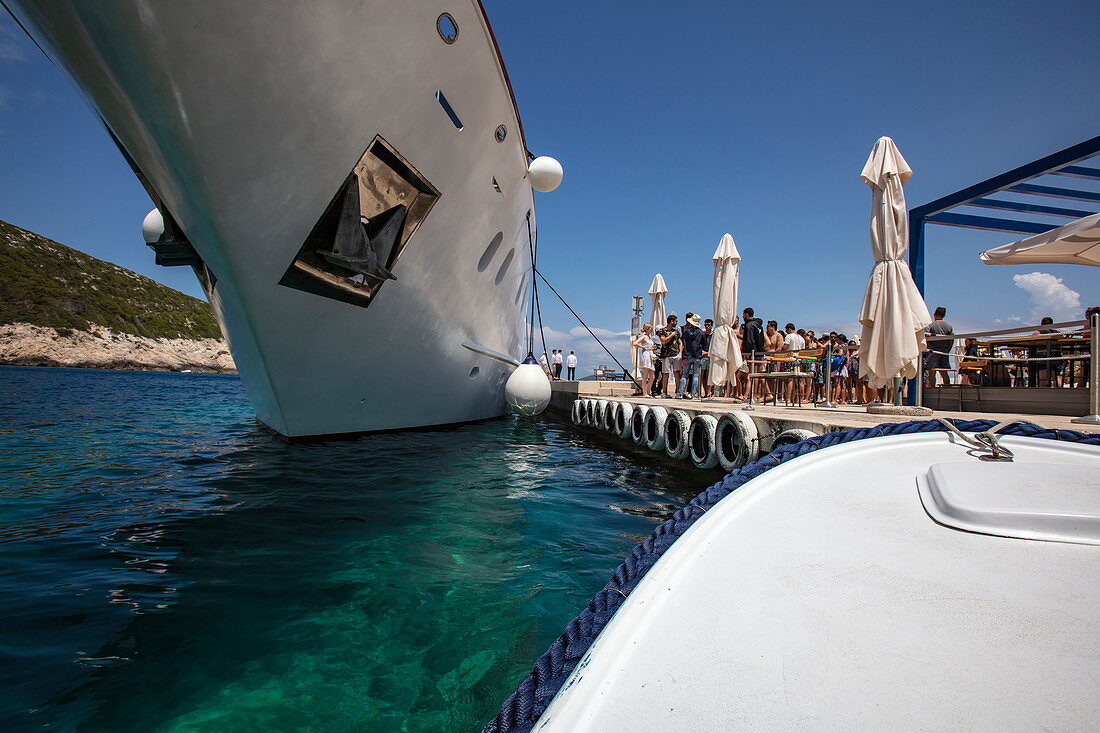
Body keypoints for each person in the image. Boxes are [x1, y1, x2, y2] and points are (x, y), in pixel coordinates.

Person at [923, 307, 954, 387]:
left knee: (932, 372)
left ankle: (932, 389)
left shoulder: (931, 325)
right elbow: (951, 340)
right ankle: (947, 388)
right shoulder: (949, 326)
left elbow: (926, 337)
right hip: (944, 350)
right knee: (944, 372)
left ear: (935, 314)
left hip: (933, 350)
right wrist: (947, 349)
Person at [738, 308, 764, 399]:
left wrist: (747, 352)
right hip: (759, 352)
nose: (742, 316)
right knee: (756, 375)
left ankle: (749, 395)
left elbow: (750, 340)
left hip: (753, 353)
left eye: (743, 314)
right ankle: (754, 395)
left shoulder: (749, 325)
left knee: (751, 375)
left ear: (746, 314)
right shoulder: (758, 325)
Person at [678, 314, 705, 399]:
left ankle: (680, 393)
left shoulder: (685, 332)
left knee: (684, 375)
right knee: (695, 375)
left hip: (687, 355)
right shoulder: (701, 332)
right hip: (697, 355)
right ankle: (693, 394)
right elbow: (704, 343)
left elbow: (683, 341)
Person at [655, 314, 682, 398]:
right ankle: (664, 392)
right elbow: (663, 341)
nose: (676, 323)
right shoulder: (662, 331)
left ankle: (678, 392)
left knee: (677, 373)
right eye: (675, 321)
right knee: (665, 374)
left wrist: (680, 353)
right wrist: (671, 335)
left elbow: (680, 342)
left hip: (676, 355)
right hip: (666, 355)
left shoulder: (676, 331)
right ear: (671, 321)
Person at [1035, 316, 1064, 388]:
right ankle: (1059, 392)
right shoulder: (1057, 333)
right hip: (1056, 357)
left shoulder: (1038, 334)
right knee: (1056, 377)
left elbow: (1031, 340)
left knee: (1042, 378)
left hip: (1043, 358)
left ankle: (1042, 394)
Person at [631, 325, 655, 396]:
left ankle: (647, 391)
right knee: (645, 375)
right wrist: (643, 347)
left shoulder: (650, 337)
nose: (652, 329)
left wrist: (652, 347)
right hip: (646, 354)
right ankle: (645, 393)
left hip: (651, 354)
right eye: (650, 328)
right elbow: (635, 343)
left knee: (652, 376)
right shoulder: (644, 336)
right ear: (647, 329)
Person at [699, 319, 714, 398]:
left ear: (711, 325)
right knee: (703, 377)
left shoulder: (714, 335)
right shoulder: (703, 334)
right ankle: (705, 392)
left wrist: (707, 353)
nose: (707, 327)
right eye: (705, 325)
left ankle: (709, 392)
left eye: (708, 325)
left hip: (710, 358)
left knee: (709, 377)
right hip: (703, 358)